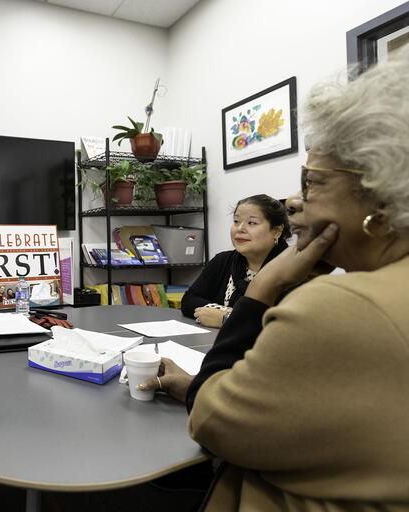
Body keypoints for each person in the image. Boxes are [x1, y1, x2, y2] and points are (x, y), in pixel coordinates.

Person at [150, 54, 409, 510]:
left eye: (312, 182)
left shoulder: (343, 305)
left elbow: (210, 421)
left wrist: (261, 289)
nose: (295, 200)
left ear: (379, 192)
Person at [181, 194, 290, 327]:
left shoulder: (292, 269)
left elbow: (284, 323)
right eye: (236, 221)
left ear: (277, 231)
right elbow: (189, 300)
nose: (240, 229)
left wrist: (226, 318)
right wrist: (228, 314)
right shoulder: (223, 261)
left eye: (252, 223)